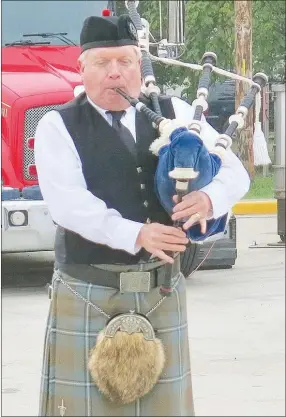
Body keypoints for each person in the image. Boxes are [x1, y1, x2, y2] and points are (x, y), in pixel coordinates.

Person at [35, 13, 250, 417]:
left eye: (126, 62)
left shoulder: (178, 112)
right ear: (81, 68)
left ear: (139, 65)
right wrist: (136, 233)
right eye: (103, 63)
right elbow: (68, 204)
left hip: (160, 291)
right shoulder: (58, 126)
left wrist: (208, 199)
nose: (115, 73)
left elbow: (234, 172)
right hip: (88, 289)